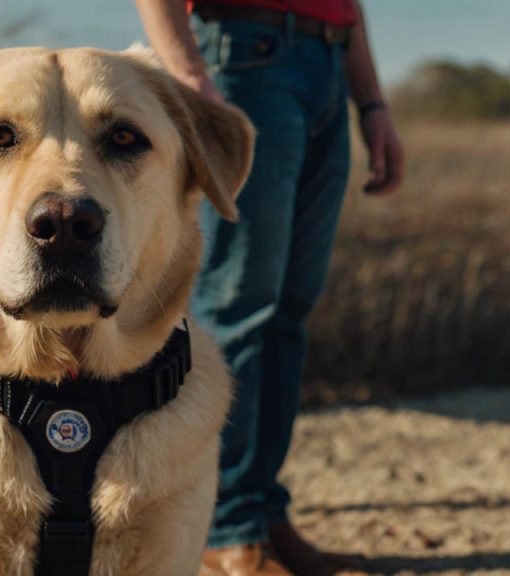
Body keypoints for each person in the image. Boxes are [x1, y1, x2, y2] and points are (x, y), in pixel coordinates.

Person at [135, 1, 403, 575]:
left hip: (328, 60)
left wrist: (372, 103)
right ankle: (225, 525)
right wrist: (189, 76)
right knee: (238, 306)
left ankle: (263, 515)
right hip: (245, 58)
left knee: (288, 309)